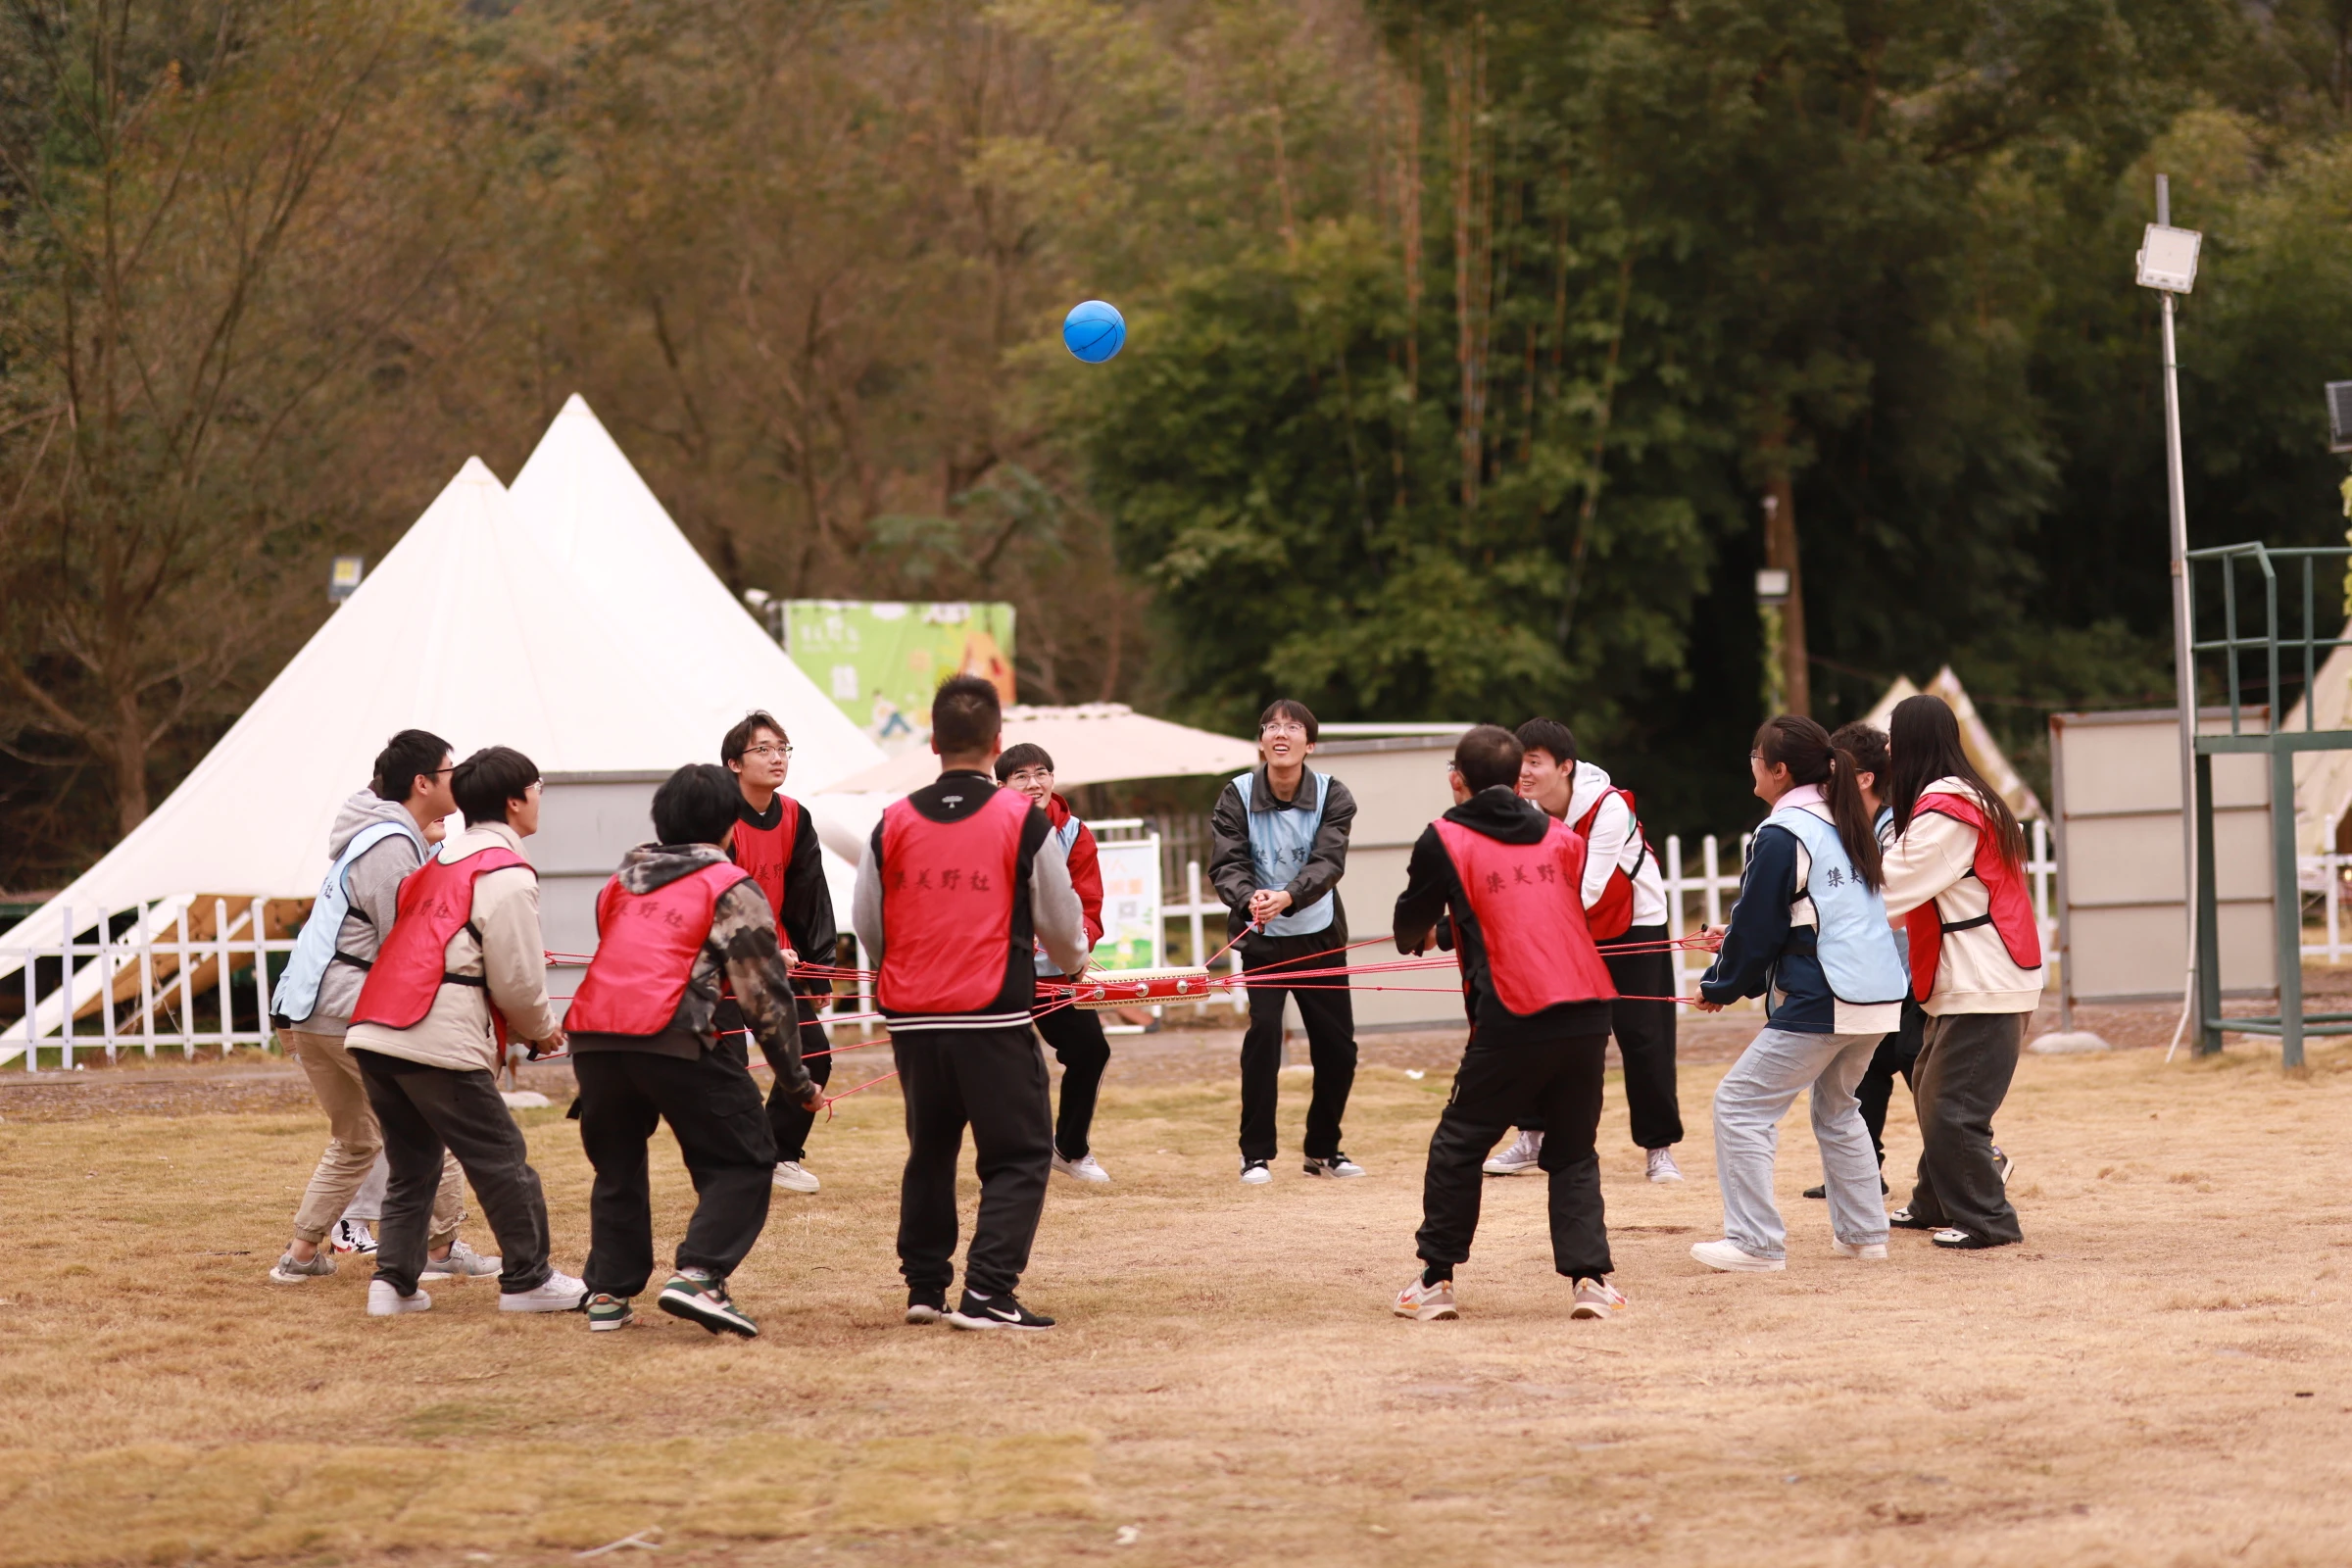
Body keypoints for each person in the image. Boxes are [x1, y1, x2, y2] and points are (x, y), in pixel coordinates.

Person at [853, 675, 1090, 1331]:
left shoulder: (891, 821)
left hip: (913, 1016)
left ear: (932, 742)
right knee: (1018, 1155)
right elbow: (1062, 924)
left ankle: (925, 1288)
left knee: (929, 1149)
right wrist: (1074, 968)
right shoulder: (1022, 819)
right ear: (997, 743)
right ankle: (988, 1291)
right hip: (993, 1015)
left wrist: (902, 971)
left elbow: (868, 922)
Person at [564, 763, 822, 1337]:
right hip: (673, 1034)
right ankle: (701, 1274)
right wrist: (797, 1083)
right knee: (746, 1156)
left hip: (595, 1037)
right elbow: (766, 998)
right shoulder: (729, 884)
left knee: (618, 1165)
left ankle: (607, 1291)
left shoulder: (619, 883)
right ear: (730, 824)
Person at [1390, 725, 1628, 1322]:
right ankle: (1591, 1282)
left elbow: (1407, 927)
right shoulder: (1560, 835)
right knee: (1573, 1151)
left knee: (1460, 1143)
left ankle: (1435, 1282)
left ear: (1456, 780)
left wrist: (1428, 931)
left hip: (1514, 1010)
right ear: (1517, 776)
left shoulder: (1443, 837)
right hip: (1587, 1007)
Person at [345, 746, 586, 1318]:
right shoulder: (504, 873)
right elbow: (519, 977)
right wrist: (542, 1031)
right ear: (515, 799)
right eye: (538, 786)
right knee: (504, 1158)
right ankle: (528, 1279)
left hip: (376, 1028)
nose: (541, 797)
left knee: (414, 1165)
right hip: (436, 1035)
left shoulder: (437, 863)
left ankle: (395, 1284)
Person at [266, 730, 497, 1288]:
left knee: (357, 1138)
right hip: (348, 1009)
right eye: (449, 771)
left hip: (311, 1009)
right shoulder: (390, 845)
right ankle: (441, 1252)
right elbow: (408, 941)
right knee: (431, 1121)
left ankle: (300, 1256)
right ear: (422, 783)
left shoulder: (372, 835)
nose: (457, 780)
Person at [1689, 715, 1907, 1273]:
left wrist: (1721, 985)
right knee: (1838, 1108)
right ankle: (1864, 1234)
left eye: (1757, 757)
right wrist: (1731, 952)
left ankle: (1755, 1245)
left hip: (1827, 994)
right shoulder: (1842, 819)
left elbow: (1760, 926)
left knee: (1739, 1106)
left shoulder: (1784, 831)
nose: (1753, 766)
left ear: (1779, 771)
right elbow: (1796, 918)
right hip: (1879, 993)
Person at [1878, 694, 2044, 1250]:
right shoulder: (1964, 799)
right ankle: (1935, 1202)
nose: (1888, 751)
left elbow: (1890, 885)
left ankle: (1987, 1220)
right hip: (1975, 977)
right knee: (1933, 1090)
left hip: (1984, 980)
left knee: (1952, 1106)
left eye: (1894, 740)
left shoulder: (1947, 810)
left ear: (1913, 744)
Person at [1488, 720, 1685, 1184]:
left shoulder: (1607, 805)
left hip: (1633, 924)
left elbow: (1591, 890)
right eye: (1520, 761)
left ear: (1565, 766)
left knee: (1643, 1036)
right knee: (1539, 1025)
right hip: (1566, 926)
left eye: (1535, 762)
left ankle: (1659, 1148)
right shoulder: (1522, 806)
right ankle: (1533, 1136)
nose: (1525, 771)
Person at [1208, 699, 1363, 1185]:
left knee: (1338, 1049)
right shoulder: (1234, 794)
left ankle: (1323, 1148)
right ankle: (1254, 1153)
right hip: (1261, 938)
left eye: (1293, 727)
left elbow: (1328, 861)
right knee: (1264, 1040)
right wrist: (1251, 897)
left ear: (1309, 744)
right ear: (1261, 742)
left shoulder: (1333, 794)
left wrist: (1289, 896)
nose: (1281, 733)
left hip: (1318, 934)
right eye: (1272, 726)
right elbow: (1226, 863)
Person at [716, 710, 838, 1196]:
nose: (776, 758)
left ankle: (780, 1153)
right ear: (733, 764)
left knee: (814, 1055)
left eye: (782, 748)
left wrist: (819, 968)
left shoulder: (794, 815)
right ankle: (732, 1164)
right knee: (729, 1066)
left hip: (780, 960)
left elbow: (811, 893)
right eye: (762, 749)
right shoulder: (716, 819)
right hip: (723, 963)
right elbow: (716, 899)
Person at [996, 743, 1114, 1184]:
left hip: (1058, 969)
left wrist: (1078, 945)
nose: (1034, 784)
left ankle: (1070, 1149)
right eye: (1021, 777)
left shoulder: (1074, 832)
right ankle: (1009, 1157)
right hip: (1000, 967)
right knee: (1006, 1063)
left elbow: (1088, 901)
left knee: (1091, 1051)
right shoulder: (983, 828)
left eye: (1041, 773)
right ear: (1001, 786)